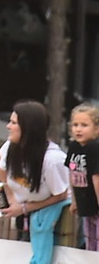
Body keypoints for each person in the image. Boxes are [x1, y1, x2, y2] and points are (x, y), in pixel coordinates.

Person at [0, 99, 75, 263]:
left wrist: (25, 208)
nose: (8, 126)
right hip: (22, 211)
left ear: (28, 128)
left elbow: (60, 195)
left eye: (13, 122)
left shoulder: (53, 160)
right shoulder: (9, 147)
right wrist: (12, 199)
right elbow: (1, 165)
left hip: (52, 214)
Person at [65, 102, 99, 252]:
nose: (78, 129)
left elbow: (96, 177)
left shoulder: (95, 147)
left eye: (84, 125)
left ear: (96, 128)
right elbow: (72, 174)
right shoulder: (74, 147)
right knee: (89, 241)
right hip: (85, 204)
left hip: (96, 204)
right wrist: (74, 200)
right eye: (75, 125)